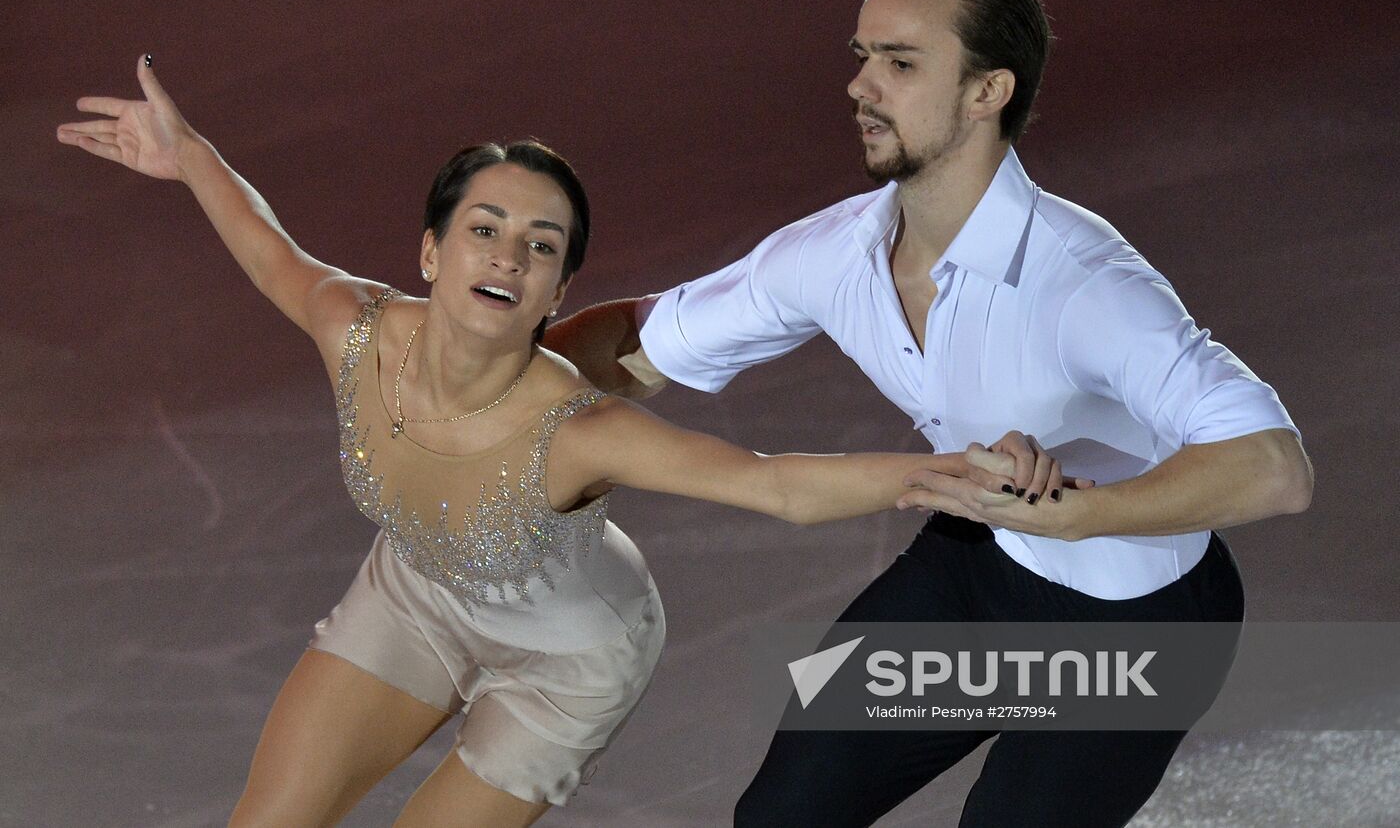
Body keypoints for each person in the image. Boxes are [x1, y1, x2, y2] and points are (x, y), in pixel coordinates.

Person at [55, 56, 1076, 827]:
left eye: (541, 248)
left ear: (558, 290)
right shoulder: (354, 327)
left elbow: (772, 489)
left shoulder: (576, 429)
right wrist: (187, 156)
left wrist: (942, 475)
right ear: (429, 250)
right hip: (414, 594)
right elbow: (268, 247)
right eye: (485, 229)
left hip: (568, 658)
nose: (508, 256)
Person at [546, 0, 1314, 827]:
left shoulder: (1086, 284)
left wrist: (1084, 514)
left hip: (1138, 624)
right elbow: (635, 346)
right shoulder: (832, 255)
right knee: (780, 818)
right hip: (976, 570)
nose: (861, 85)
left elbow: (1272, 468)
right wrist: (486, 380)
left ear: (988, 91)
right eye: (862, 57)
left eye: (901, 64)